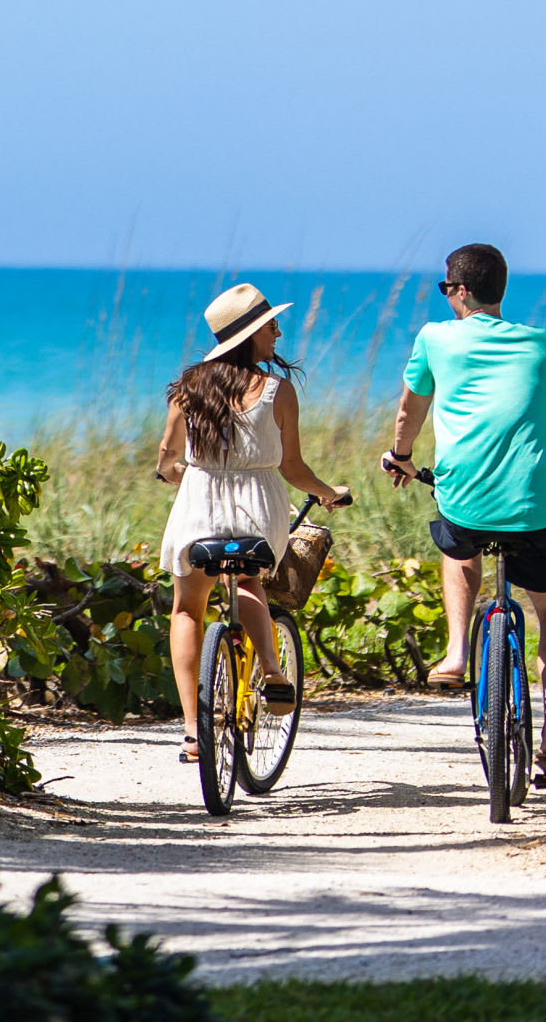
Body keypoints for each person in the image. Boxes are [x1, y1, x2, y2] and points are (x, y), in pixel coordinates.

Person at [379, 242, 546, 792]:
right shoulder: (545, 343)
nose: (446, 299)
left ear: (460, 291)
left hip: (466, 499)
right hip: (536, 506)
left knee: (456, 543)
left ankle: (458, 650)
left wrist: (403, 455)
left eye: (446, 289)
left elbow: (409, 410)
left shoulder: (434, 339)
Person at [157, 282, 351, 761]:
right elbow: (293, 469)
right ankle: (270, 668)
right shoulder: (276, 391)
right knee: (249, 580)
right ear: (249, 336)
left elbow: (166, 459)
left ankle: (191, 731)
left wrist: (181, 476)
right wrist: (329, 494)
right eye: (270, 326)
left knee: (186, 611)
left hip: (198, 509)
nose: (278, 332)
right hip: (257, 509)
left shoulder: (187, 390)